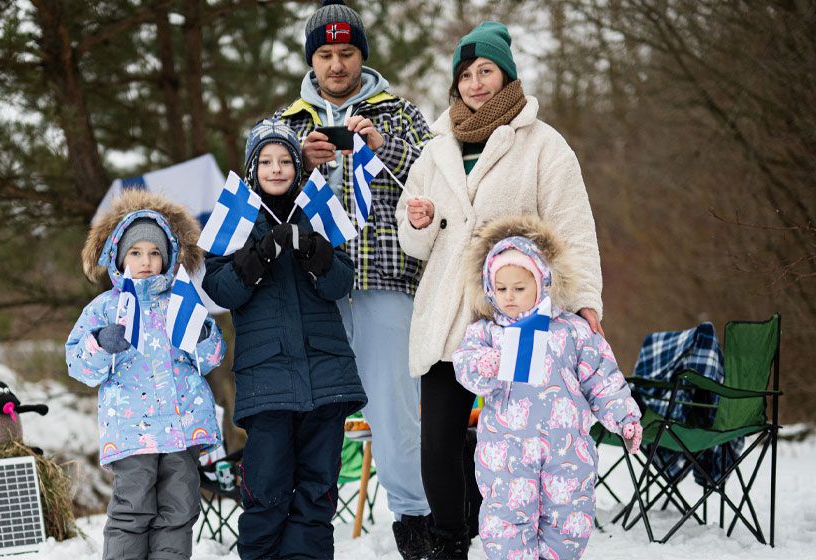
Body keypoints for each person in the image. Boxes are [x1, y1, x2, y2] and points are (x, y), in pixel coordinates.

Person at [396, 21, 606, 558]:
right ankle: (451, 540)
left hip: (518, 315)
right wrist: (418, 221)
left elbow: (573, 228)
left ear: (506, 75)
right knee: (437, 442)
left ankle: (525, 540)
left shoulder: (543, 144)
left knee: (519, 437)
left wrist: (586, 302)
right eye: (465, 74)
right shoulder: (435, 147)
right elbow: (414, 242)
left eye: (485, 70)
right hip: (449, 314)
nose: (475, 83)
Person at [270, 1, 435, 556]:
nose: (336, 65)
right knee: (311, 415)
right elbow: (257, 197)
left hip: (386, 281)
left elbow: (438, 181)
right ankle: (303, 527)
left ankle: (416, 522)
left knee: (394, 410)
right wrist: (299, 163)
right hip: (312, 290)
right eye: (325, 55)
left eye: (346, 52)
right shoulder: (287, 123)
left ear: (362, 55)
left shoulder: (400, 113)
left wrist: (383, 147)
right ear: (311, 60)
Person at [200, 119, 367, 560]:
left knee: (317, 490)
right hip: (266, 382)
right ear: (252, 170)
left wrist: (315, 252)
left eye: (285, 161)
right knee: (267, 488)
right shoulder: (237, 220)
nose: (276, 169)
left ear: (297, 167)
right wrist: (257, 256)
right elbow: (219, 289)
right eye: (266, 162)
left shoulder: (315, 210)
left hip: (326, 376)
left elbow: (341, 283)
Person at [453, 214, 642, 559]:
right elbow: (465, 368)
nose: (509, 297)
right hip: (507, 452)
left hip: (566, 449)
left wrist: (624, 417)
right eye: (501, 289)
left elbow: (602, 377)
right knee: (505, 520)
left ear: (541, 283)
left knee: (569, 521)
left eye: (519, 288)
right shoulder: (487, 333)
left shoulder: (571, 330)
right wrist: (484, 364)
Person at [65, 190, 227, 560]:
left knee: (179, 509)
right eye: (136, 253)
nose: (146, 261)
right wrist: (100, 343)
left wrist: (203, 333)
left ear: (167, 258)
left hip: (183, 428)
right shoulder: (106, 308)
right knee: (132, 509)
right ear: (120, 257)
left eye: (155, 253)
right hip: (132, 430)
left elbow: (212, 357)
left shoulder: (182, 301)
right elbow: (78, 364)